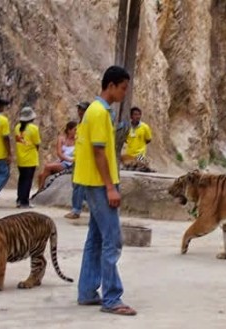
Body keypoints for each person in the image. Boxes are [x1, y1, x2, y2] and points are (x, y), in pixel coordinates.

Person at [74, 65, 137, 315]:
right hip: (100, 184)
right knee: (113, 240)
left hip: (93, 181)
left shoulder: (97, 111)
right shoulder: (99, 112)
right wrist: (111, 187)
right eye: (122, 88)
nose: (124, 94)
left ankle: (88, 291)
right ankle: (112, 297)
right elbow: (98, 152)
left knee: (96, 239)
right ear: (111, 85)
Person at [64, 101, 90, 219]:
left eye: (83, 110)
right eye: (79, 109)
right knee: (77, 185)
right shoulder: (79, 125)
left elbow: (148, 139)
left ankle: (76, 209)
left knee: (79, 185)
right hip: (78, 158)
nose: (80, 112)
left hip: (138, 154)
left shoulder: (143, 128)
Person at [36, 120, 77, 190]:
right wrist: (69, 159)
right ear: (69, 130)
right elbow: (59, 153)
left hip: (71, 163)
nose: (76, 131)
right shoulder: (62, 139)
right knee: (41, 175)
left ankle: (41, 189)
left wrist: (73, 160)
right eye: (74, 130)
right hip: (65, 161)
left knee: (47, 167)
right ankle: (40, 189)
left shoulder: (77, 140)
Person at [14, 106, 41, 208]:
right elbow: (37, 143)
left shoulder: (17, 127)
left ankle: (19, 199)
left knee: (21, 179)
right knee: (27, 181)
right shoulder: (34, 129)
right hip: (30, 158)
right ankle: (24, 201)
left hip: (20, 158)